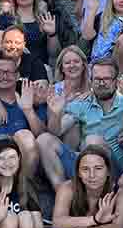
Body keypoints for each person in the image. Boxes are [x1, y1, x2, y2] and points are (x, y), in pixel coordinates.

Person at [54, 57, 123, 176]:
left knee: (93, 141)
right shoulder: (82, 103)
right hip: (85, 166)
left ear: (116, 81)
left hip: (115, 169)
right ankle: (61, 187)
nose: (101, 83)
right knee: (45, 140)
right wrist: (55, 112)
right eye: (97, 79)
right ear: (90, 81)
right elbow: (57, 131)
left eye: (106, 79)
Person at [35, 45, 91, 187]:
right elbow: (53, 130)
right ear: (61, 68)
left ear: (84, 65)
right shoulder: (55, 90)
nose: (72, 65)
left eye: (76, 61)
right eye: (67, 63)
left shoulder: (92, 89)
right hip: (57, 139)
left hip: (83, 143)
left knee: (75, 125)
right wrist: (57, 112)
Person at [0, 26, 49, 111]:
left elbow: (41, 91)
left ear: (24, 45)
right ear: (1, 44)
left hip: (24, 108)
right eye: (8, 42)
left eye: (17, 43)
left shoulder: (34, 62)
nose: (13, 46)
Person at [0, 0, 57, 66]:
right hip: (13, 67)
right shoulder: (5, 18)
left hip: (40, 68)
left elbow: (54, 54)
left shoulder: (44, 18)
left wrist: (52, 34)